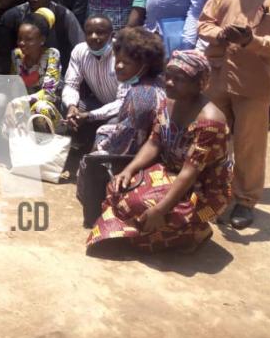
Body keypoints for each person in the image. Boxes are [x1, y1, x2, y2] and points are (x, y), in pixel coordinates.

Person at [87, 50, 232, 253]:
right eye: (168, 76)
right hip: (170, 170)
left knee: (145, 207)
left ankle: (196, 232)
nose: (170, 83)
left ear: (200, 84)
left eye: (179, 79)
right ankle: (145, 232)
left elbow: (191, 171)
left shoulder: (210, 121)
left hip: (202, 187)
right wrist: (128, 170)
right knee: (117, 187)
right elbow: (154, 143)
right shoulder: (168, 102)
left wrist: (160, 210)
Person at [198, 0, 270, 229]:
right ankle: (208, 192)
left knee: (248, 145)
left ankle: (245, 201)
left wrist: (252, 41)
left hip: (254, 83)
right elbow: (204, 23)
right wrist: (221, 33)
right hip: (217, 78)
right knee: (210, 137)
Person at [76, 27, 166, 226]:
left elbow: (126, 142)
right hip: (150, 148)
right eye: (118, 60)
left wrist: (98, 146)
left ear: (144, 65)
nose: (119, 66)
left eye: (127, 62)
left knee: (94, 154)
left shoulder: (140, 95)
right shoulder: (156, 84)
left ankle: (97, 212)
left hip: (139, 157)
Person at [0, 0, 84, 75]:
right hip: (22, 76)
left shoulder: (64, 16)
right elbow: (2, 56)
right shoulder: (14, 16)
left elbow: (81, 48)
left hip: (58, 75)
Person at [62, 15, 126, 149]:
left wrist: (90, 115)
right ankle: (80, 146)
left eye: (100, 32)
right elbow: (71, 85)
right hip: (98, 104)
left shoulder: (122, 54)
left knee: (114, 121)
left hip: (122, 110)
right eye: (89, 33)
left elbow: (122, 102)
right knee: (68, 107)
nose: (93, 36)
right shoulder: (80, 51)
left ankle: (101, 161)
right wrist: (71, 106)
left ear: (111, 35)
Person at [7, 9, 63, 126]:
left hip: (50, 112)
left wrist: (20, 101)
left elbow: (48, 93)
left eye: (28, 39)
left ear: (42, 40)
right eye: (20, 38)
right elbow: (15, 87)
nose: (22, 43)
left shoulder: (52, 55)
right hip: (24, 108)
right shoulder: (16, 55)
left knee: (41, 107)